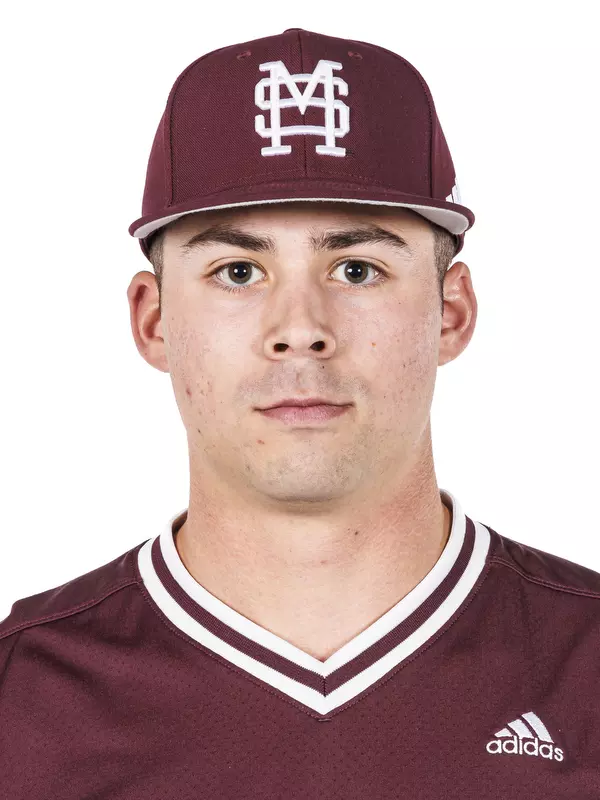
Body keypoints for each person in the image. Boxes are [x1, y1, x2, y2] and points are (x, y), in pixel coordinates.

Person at [2, 27, 599, 799]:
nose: (300, 327)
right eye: (238, 270)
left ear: (450, 312)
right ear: (153, 322)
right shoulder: (24, 700)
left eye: (357, 268)